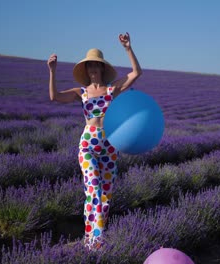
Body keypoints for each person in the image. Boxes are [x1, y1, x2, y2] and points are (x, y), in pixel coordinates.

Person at [47, 32, 142, 250]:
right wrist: (52, 72)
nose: (92, 70)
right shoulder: (80, 92)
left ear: (101, 69)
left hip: (110, 146)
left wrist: (128, 48)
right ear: (86, 70)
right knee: (93, 189)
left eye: (95, 66)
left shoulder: (112, 89)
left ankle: (90, 238)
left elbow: (137, 73)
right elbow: (55, 97)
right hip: (88, 144)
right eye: (89, 67)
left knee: (105, 197)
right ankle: (97, 244)